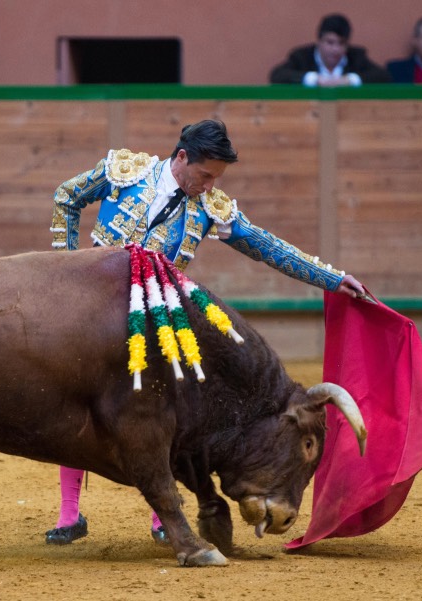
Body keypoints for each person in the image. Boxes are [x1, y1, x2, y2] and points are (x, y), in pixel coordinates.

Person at [47, 119, 366, 546]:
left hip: (157, 319)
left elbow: (266, 245)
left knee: (162, 411)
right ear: (181, 158)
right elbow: (66, 196)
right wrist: (66, 268)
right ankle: (70, 515)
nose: (209, 185)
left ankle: (161, 518)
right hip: (94, 312)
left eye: (216, 178)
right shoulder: (124, 171)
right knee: (78, 403)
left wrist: (332, 278)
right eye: (205, 175)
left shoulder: (210, 206)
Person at [269, 13, 391, 86]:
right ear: (319, 41)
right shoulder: (302, 57)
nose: (335, 49)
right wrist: (314, 79)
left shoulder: (356, 56)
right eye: (330, 42)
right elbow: (277, 75)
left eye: (341, 43)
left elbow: (383, 76)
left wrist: (350, 80)